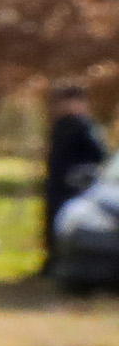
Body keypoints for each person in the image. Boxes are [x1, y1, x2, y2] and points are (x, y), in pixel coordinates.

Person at [46, 82, 108, 276]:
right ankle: (52, 262)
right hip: (57, 184)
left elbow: (98, 156)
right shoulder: (61, 125)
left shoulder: (84, 126)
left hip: (76, 186)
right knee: (52, 224)